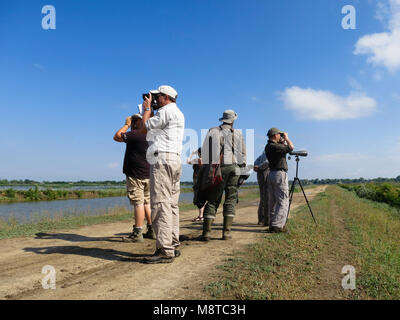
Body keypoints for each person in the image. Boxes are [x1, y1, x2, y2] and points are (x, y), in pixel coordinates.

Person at [140, 85, 185, 264]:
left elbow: (144, 127)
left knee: (160, 203)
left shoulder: (165, 111)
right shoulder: (178, 112)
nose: (156, 99)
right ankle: (173, 243)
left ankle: (165, 250)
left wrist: (147, 109)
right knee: (172, 204)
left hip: (162, 159)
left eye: (158, 97)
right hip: (174, 159)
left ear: (166, 97)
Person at [200, 109, 246, 241]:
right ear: (233, 121)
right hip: (234, 168)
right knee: (231, 199)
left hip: (217, 169)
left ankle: (207, 233)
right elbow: (242, 155)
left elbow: (204, 153)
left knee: (213, 200)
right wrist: (242, 175)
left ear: (223, 119)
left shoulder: (213, 131)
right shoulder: (238, 134)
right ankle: (226, 233)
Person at [113, 113, 156, 242]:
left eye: (134, 121)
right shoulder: (151, 136)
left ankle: (138, 233)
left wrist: (126, 124)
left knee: (138, 203)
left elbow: (116, 137)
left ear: (138, 122)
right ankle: (152, 229)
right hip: (148, 174)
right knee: (147, 203)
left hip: (135, 175)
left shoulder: (134, 134)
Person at [265, 128, 294, 233]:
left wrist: (282, 141)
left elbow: (283, 149)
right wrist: (286, 138)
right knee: (283, 201)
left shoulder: (269, 146)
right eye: (279, 134)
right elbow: (290, 147)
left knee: (273, 201)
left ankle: (272, 224)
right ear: (275, 135)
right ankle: (278, 226)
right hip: (279, 174)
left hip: (271, 174)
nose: (280, 136)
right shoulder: (275, 146)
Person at [187, 148, 205, 222]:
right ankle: (202, 215)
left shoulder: (197, 160)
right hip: (205, 181)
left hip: (197, 181)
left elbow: (188, 161)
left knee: (199, 199)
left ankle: (201, 216)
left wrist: (191, 154)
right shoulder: (207, 161)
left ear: (199, 153)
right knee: (203, 198)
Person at [254, 150, 269, 226]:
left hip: (261, 174)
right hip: (264, 174)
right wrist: (259, 167)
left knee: (263, 197)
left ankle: (263, 219)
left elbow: (255, 162)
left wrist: (257, 167)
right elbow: (267, 162)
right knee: (265, 197)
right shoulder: (267, 153)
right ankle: (263, 220)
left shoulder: (263, 154)